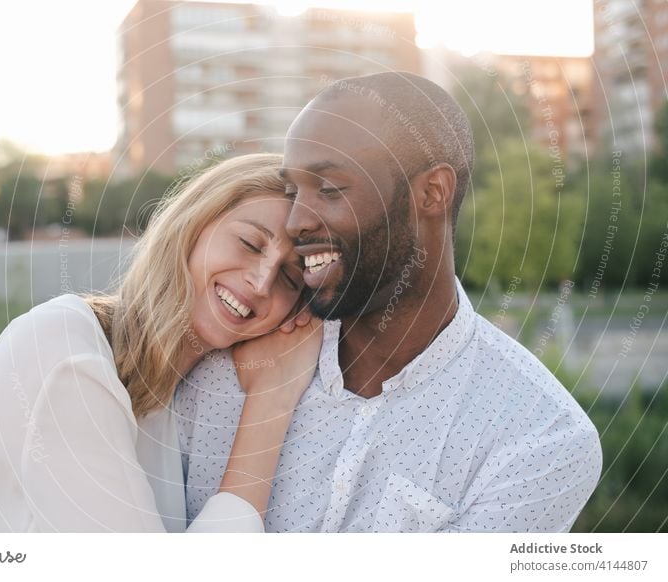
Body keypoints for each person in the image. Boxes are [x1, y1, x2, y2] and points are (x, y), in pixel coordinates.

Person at [176, 72, 603, 532]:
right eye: (292, 192)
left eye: (330, 189)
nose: (297, 221)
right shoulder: (233, 346)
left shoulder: (539, 438)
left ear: (432, 193)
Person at [0, 153, 322, 533]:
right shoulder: (64, 353)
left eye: (290, 277)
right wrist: (271, 399)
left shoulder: (174, 401)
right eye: (250, 243)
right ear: (193, 226)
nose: (262, 280)